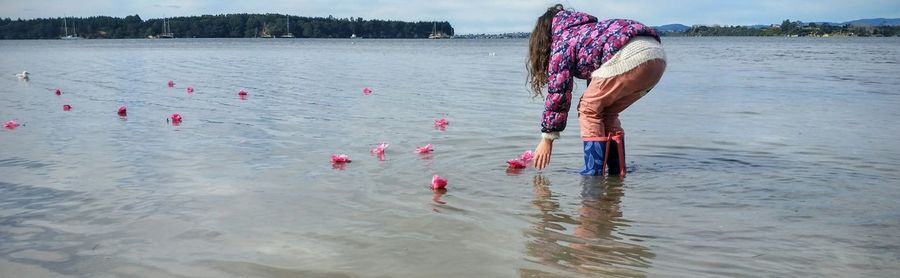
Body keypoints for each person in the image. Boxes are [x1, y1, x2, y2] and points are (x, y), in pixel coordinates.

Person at [527, 4, 666, 176]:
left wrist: (547, 138)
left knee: (588, 109)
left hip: (631, 55)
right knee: (604, 111)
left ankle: (593, 178)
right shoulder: (588, 31)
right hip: (657, 57)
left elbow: (558, 92)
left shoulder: (563, 40)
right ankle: (616, 175)